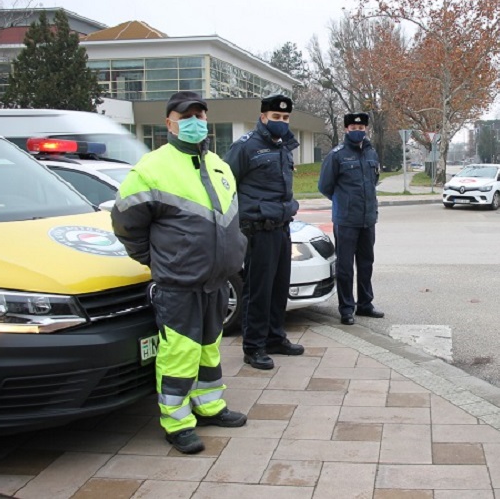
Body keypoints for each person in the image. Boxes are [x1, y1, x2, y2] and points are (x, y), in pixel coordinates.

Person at [112, 91, 249, 454]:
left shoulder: (219, 165)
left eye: (201, 115)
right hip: (179, 284)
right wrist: (157, 260)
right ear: (169, 123)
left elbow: (231, 219)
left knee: (209, 348)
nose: (195, 121)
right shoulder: (151, 168)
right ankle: (177, 422)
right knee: (180, 354)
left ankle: (209, 406)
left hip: (216, 281)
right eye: (186, 115)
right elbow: (126, 223)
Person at [224, 94, 305, 370]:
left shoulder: (283, 146)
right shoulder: (246, 147)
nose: (281, 122)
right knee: (258, 290)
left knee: (279, 287)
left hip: (282, 226)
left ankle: (274, 337)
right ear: (263, 117)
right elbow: (226, 183)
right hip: (258, 229)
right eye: (276, 117)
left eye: (285, 118)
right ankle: (254, 346)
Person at [318, 112, 384, 325]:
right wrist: (343, 201)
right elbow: (325, 186)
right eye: (354, 129)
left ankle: (365, 304)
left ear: (366, 129)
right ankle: (347, 308)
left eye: (361, 128)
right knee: (345, 267)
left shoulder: (371, 153)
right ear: (346, 129)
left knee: (366, 264)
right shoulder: (337, 155)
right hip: (346, 219)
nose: (358, 132)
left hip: (367, 219)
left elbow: (373, 181)